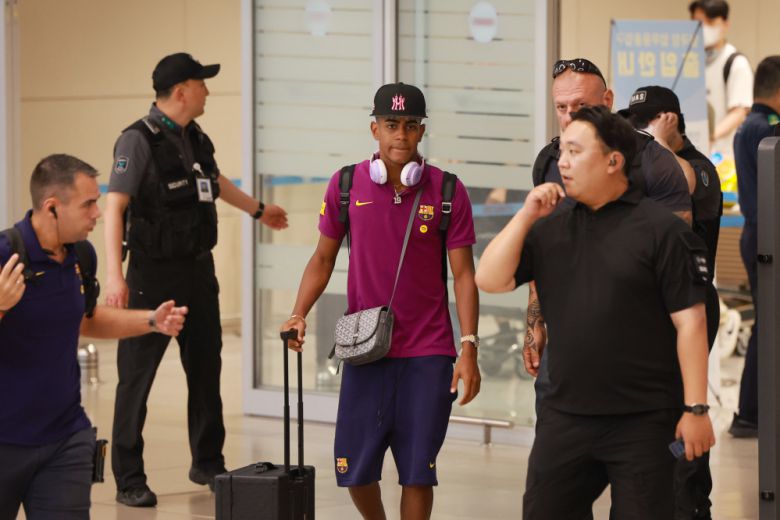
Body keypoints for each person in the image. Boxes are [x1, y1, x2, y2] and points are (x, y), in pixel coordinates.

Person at [476, 106, 716, 519]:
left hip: (642, 421)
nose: (563, 162)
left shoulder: (663, 231)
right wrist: (526, 213)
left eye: (574, 151)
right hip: (565, 416)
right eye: (562, 151)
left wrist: (696, 410)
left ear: (613, 161)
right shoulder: (550, 226)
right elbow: (490, 279)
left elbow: (690, 321)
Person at [279, 82, 481, 520]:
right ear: (374, 128)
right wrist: (298, 313)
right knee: (354, 468)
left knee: (418, 471)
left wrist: (468, 345)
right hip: (366, 348)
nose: (401, 135)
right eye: (391, 124)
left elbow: (464, 275)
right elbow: (322, 257)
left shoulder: (446, 191)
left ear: (421, 132)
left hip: (428, 353)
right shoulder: (346, 186)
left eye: (410, 125)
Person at [103, 52, 289, 507]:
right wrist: (113, 273)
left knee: (206, 369)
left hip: (196, 269)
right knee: (136, 378)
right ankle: (129, 478)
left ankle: (207, 461)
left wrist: (259, 210)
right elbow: (115, 206)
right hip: (151, 274)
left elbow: (215, 181)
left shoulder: (194, 136)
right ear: (182, 90)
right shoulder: (136, 140)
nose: (208, 90)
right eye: (202, 83)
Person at [0, 154, 188, 520]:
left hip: (65, 438)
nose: (97, 213)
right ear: (52, 207)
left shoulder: (81, 257)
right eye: (88, 203)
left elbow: (85, 320)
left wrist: (150, 321)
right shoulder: (6, 255)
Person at [524, 58, 692, 411]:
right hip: (568, 343)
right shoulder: (549, 162)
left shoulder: (653, 163)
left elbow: (679, 267)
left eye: (581, 106)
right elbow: (541, 252)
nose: (570, 117)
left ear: (608, 100)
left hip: (637, 345)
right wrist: (535, 324)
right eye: (561, 107)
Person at [622, 85, 723, 519]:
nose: (639, 134)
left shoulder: (699, 169)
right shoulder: (639, 167)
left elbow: (684, 189)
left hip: (693, 304)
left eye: (648, 124)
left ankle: (691, 506)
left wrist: (660, 145)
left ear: (671, 122)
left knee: (686, 408)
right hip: (649, 309)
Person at [729, 55, 780, 438]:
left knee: (768, 324)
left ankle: (751, 411)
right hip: (767, 238)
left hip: (758, 234)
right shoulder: (766, 130)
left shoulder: (751, 126)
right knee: (769, 326)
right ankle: (750, 412)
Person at [689, 0, 753, 157]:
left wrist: (709, 136)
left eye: (710, 22)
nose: (703, 28)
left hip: (724, 156)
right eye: (698, 22)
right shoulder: (688, 60)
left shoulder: (735, 62)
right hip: (693, 153)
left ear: (725, 23)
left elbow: (739, 112)